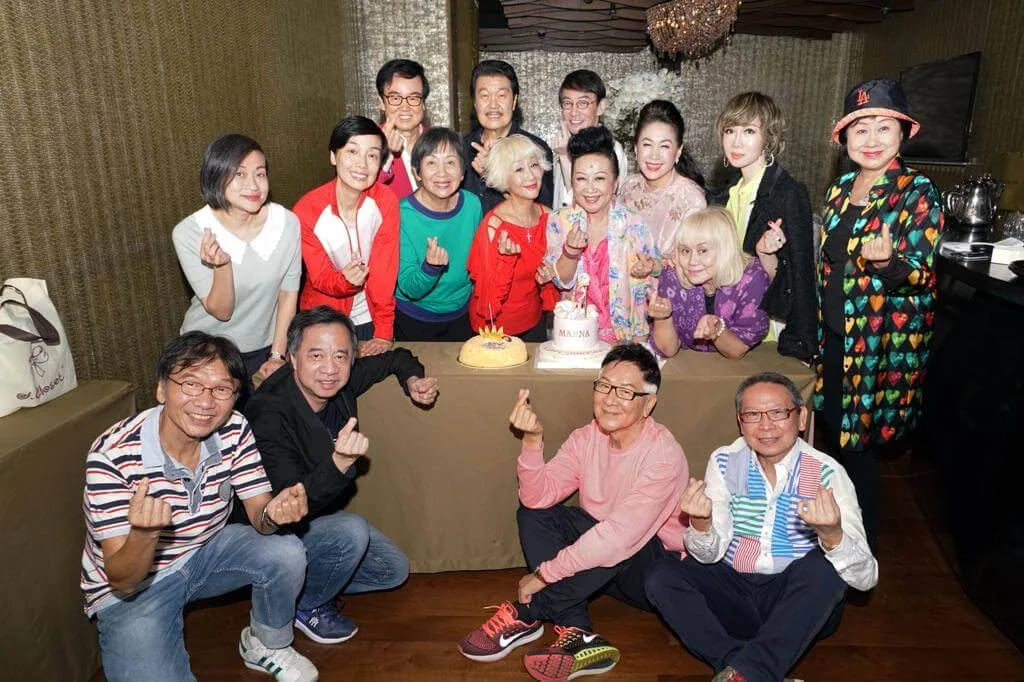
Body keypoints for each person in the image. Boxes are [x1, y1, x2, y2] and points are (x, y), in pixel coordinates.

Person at [81, 332, 317, 682]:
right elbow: (122, 580)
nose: (206, 402)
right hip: (135, 589)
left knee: (286, 550)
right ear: (161, 389)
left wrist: (274, 514)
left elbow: (259, 514)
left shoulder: (234, 428)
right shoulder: (112, 456)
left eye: (222, 389)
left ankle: (266, 644)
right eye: (191, 384)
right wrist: (144, 535)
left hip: (204, 553)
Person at [458, 344, 687, 682]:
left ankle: (528, 612)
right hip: (603, 562)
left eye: (626, 391)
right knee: (533, 514)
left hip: (650, 568)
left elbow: (618, 539)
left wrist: (543, 577)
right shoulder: (587, 437)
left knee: (614, 541)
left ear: (648, 403)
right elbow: (537, 498)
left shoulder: (663, 457)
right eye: (604, 385)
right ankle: (578, 632)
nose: (610, 399)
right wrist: (532, 441)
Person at [645, 371, 878, 682]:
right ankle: (744, 669)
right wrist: (701, 523)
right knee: (662, 575)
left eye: (778, 412)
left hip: (796, 606)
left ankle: (746, 671)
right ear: (740, 423)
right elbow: (708, 556)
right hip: (735, 595)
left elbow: (866, 579)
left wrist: (832, 535)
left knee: (824, 568)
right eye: (753, 415)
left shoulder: (828, 473)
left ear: (801, 418)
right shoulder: (725, 461)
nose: (765, 425)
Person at [243, 306, 438, 643]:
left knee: (393, 570)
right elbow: (290, 503)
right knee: (351, 530)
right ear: (292, 358)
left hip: (319, 517)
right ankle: (305, 603)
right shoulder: (268, 414)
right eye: (316, 355)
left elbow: (397, 358)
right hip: (271, 532)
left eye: (340, 355)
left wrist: (413, 382)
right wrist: (339, 463)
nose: (330, 368)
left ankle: (296, 584)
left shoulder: (338, 383)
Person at [815, 78, 944, 552]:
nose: (871, 139)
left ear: (903, 133)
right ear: (845, 138)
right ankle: (839, 531)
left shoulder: (917, 192)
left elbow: (922, 276)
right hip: (835, 339)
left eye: (883, 127)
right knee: (836, 435)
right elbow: (828, 267)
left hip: (879, 349)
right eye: (860, 128)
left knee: (858, 450)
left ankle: (859, 548)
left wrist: (889, 263)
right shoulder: (839, 189)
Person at [172, 134, 300, 387]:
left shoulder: (287, 223)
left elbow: (288, 294)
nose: (253, 185)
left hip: (265, 349)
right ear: (216, 175)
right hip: (206, 352)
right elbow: (222, 311)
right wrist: (222, 266)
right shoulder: (190, 232)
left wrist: (277, 355)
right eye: (239, 174)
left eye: (260, 174)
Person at [711, 92, 817, 362]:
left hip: (765, 328)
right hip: (725, 321)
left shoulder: (788, 193)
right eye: (730, 130)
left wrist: (765, 253)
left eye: (749, 131)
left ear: (768, 138)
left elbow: (799, 279)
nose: (736, 141)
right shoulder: (725, 194)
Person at [294, 115, 399, 356]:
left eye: (372, 155)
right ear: (333, 156)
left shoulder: (385, 201)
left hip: (369, 317)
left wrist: (384, 330)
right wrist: (346, 281)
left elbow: (384, 271)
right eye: (352, 151)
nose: (362, 164)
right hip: (323, 320)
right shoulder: (307, 210)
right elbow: (320, 277)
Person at [546, 126, 659, 344]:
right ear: (572, 181)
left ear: (615, 183)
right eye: (581, 179)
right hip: (576, 337)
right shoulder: (558, 221)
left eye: (599, 179)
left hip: (624, 340)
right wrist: (570, 252)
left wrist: (638, 344)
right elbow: (561, 282)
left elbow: (648, 285)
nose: (590, 189)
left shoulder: (634, 224)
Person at [395, 127, 483, 341]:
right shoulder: (402, 215)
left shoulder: (472, 205)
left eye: (451, 162)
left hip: (463, 312)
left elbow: (478, 263)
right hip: (414, 317)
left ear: (462, 172)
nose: (442, 173)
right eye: (432, 163)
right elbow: (408, 287)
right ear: (417, 172)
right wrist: (430, 268)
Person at [466, 134, 557, 341]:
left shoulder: (548, 217)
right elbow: (488, 297)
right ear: (503, 178)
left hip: (534, 322)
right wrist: (506, 260)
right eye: (518, 169)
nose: (530, 175)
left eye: (534, 165)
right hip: (494, 329)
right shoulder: (493, 225)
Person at [649, 206, 770, 360]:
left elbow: (737, 350)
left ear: (725, 249)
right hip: (690, 361)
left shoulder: (753, 279)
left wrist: (718, 331)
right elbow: (668, 350)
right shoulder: (672, 275)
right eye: (685, 251)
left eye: (703, 251)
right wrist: (662, 318)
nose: (692, 261)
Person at [463, 59, 554, 213]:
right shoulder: (460, 148)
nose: (493, 105)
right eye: (484, 96)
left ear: (514, 101)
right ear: (475, 103)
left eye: (501, 95)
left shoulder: (535, 149)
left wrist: (492, 176)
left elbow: (542, 213)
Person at [618, 100, 707, 255]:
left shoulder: (692, 200)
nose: (654, 155)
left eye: (664, 146)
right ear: (636, 148)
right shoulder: (628, 187)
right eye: (647, 144)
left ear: (678, 151)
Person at [550, 69, 628, 209]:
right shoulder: (564, 144)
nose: (574, 112)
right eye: (567, 103)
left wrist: (565, 157)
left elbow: (587, 207)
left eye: (582, 103)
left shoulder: (610, 149)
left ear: (600, 107)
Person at [376, 58, 430, 200]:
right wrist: (384, 156)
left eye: (413, 98)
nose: (405, 107)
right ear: (382, 103)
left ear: (423, 103)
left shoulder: (441, 143)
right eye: (395, 98)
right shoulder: (366, 144)